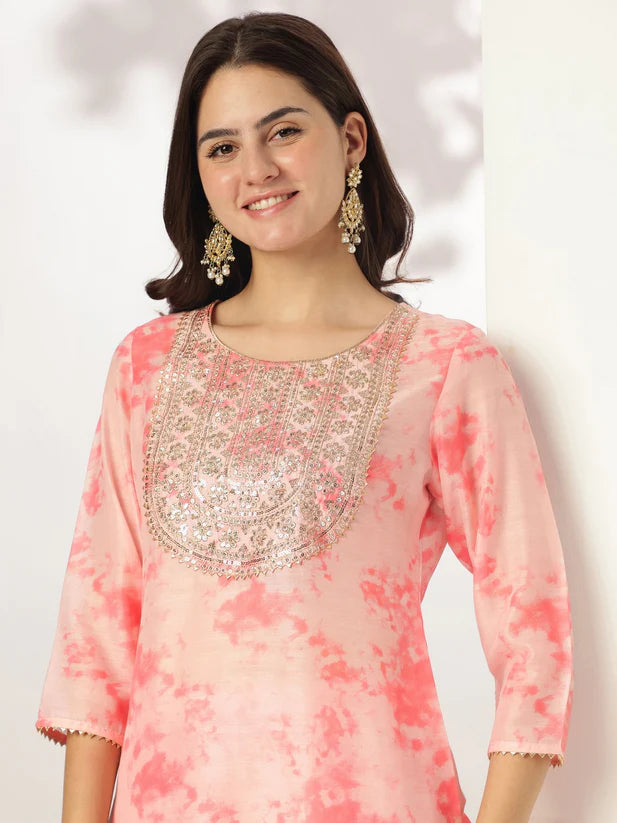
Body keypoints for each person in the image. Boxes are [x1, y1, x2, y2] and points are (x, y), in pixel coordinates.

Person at [35, 12, 573, 823]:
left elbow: (533, 624)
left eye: (283, 131)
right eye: (221, 147)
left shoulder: (445, 366)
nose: (256, 168)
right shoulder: (147, 367)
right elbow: (96, 634)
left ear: (351, 140)